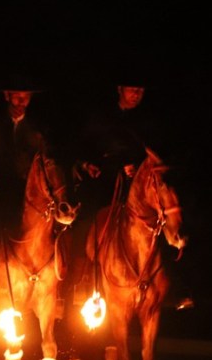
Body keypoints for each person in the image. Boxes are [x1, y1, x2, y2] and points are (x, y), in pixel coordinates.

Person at [69, 75, 194, 310]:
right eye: (131, 89)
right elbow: (84, 150)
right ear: (120, 89)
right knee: (85, 222)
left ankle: (173, 285)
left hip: (142, 189)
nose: (136, 94)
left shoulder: (149, 123)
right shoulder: (101, 118)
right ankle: (76, 283)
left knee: (167, 221)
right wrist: (96, 165)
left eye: (140, 90)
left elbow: (158, 156)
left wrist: (140, 169)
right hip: (105, 183)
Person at [0, 73, 51, 241]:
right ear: (7, 96)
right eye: (17, 96)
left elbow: (46, 161)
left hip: (27, 194)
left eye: (26, 97)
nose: (21, 101)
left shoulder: (36, 131)